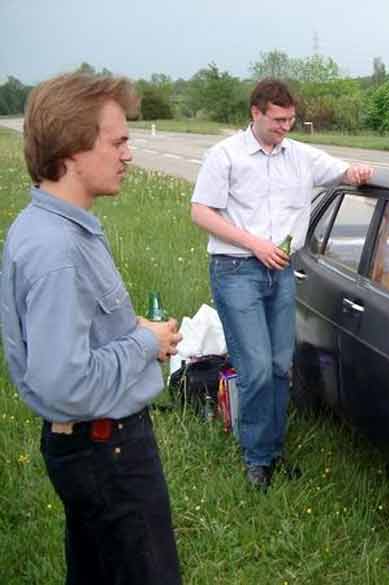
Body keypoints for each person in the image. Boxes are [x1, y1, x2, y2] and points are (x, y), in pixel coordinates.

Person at [0, 73, 183, 584]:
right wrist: (145, 342)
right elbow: (65, 382)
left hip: (94, 448)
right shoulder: (57, 249)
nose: (128, 154)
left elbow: (77, 335)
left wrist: (131, 329)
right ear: (73, 150)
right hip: (107, 453)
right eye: (118, 141)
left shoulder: (54, 227)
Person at [191, 78, 373, 491]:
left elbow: (341, 171)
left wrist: (357, 172)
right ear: (255, 113)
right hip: (237, 270)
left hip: (282, 272)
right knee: (254, 369)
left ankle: (271, 452)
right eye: (277, 120)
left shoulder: (301, 156)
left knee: (278, 367)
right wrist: (254, 244)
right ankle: (256, 459)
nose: (285, 127)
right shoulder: (226, 156)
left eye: (290, 119)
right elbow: (201, 212)